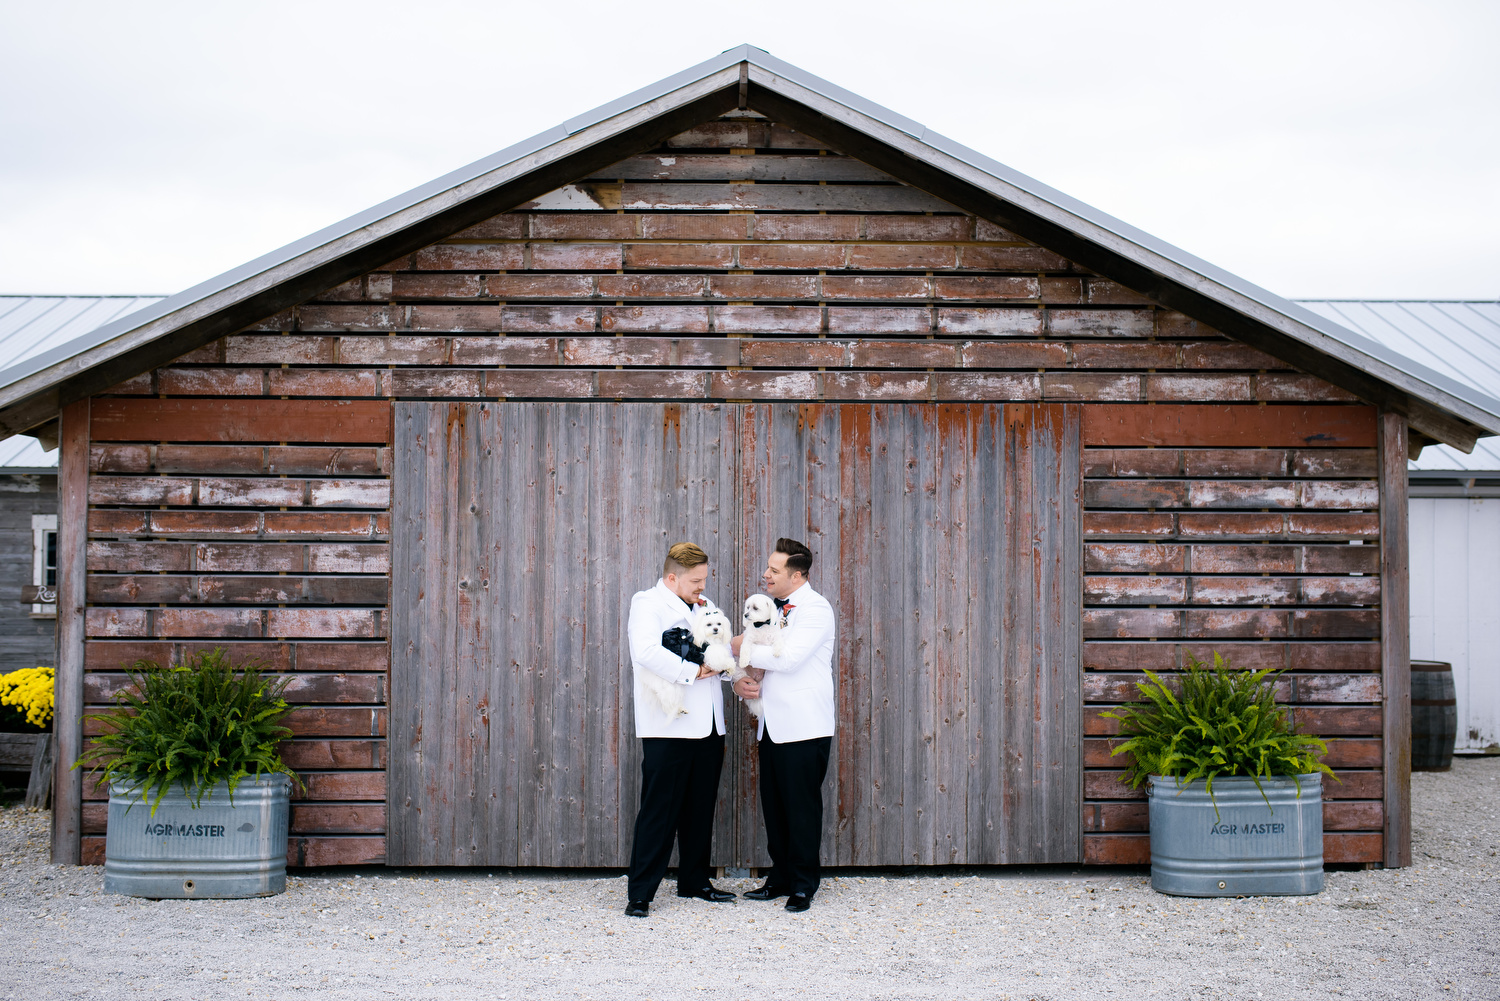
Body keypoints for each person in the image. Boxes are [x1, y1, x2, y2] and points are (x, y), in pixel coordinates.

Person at [622, 542, 737, 917]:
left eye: (704, 579)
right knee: (659, 810)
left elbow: (720, 646)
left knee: (700, 808)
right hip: (669, 724)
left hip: (709, 725)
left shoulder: (705, 604)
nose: (702, 587)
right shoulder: (647, 603)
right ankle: (640, 893)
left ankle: (695, 881)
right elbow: (646, 652)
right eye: (696, 581)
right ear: (672, 577)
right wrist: (694, 671)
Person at [730, 538, 835, 913]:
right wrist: (738, 683)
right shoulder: (769, 608)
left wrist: (737, 645)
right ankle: (779, 876)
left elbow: (788, 659)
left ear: (797, 574)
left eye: (773, 571)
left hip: (805, 727)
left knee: (801, 808)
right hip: (771, 725)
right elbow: (756, 665)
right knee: (774, 806)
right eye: (768, 568)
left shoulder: (816, 610)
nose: (765, 575)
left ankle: (804, 884)